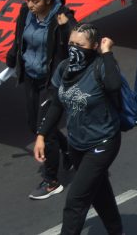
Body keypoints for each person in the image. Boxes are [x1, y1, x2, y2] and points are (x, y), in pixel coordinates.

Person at [35, 23, 125, 235]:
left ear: (93, 46)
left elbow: (114, 85)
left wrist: (107, 53)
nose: (74, 48)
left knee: (76, 200)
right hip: (77, 143)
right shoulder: (64, 68)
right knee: (99, 192)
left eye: (80, 44)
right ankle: (116, 230)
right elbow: (57, 104)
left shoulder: (102, 66)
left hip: (103, 142)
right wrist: (41, 135)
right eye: (71, 43)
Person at [7, 0, 74, 200]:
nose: (30, 4)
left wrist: (66, 27)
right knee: (33, 124)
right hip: (31, 77)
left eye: (35, 1)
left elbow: (79, 41)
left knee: (45, 130)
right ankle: (70, 151)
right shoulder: (26, 11)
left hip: (51, 81)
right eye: (28, 0)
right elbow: (21, 35)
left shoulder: (62, 17)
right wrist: (13, 53)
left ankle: (51, 180)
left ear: (48, 0)